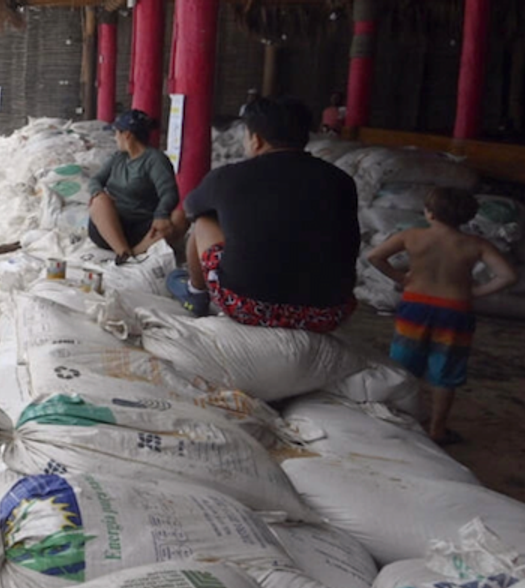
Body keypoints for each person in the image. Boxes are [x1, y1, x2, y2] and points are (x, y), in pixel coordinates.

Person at [166, 96, 360, 333]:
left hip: (250, 305)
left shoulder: (229, 177)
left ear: (256, 140)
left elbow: (191, 207)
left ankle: (196, 292)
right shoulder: (341, 180)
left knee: (204, 219)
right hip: (329, 311)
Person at [366, 187, 519, 444]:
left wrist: (401, 278)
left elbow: (374, 256)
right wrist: (475, 292)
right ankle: (437, 430)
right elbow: (508, 276)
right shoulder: (476, 244)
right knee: (445, 372)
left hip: (415, 307)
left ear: (429, 213)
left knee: (404, 367)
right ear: (467, 216)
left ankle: (397, 422)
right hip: (454, 310)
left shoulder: (412, 236)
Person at [86, 110, 185, 263]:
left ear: (127, 135)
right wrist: (99, 192)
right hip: (112, 228)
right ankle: (123, 252)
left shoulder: (155, 160)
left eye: (117, 133)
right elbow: (95, 180)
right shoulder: (118, 158)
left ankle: (135, 254)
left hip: (143, 229)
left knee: (181, 217)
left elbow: (169, 193)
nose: (115, 138)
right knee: (99, 201)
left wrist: (161, 215)